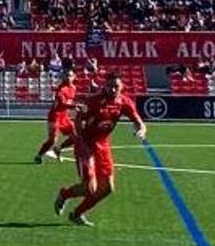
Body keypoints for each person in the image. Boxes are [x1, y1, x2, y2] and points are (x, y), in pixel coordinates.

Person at [54, 72, 147, 227]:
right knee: (90, 188)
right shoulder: (93, 101)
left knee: (108, 188)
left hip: (103, 145)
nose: (112, 90)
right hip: (86, 145)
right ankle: (64, 194)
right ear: (105, 86)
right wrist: (81, 141)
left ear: (122, 87)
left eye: (116, 86)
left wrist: (142, 129)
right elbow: (78, 119)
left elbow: (138, 121)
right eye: (110, 86)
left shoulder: (124, 102)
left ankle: (77, 214)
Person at [35, 68, 78, 164]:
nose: (68, 77)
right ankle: (39, 155)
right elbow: (62, 104)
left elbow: (69, 102)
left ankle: (58, 148)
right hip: (55, 116)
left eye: (70, 75)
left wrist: (74, 107)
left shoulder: (73, 88)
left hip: (64, 117)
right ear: (63, 77)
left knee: (76, 136)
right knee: (52, 140)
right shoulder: (61, 89)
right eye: (66, 75)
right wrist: (75, 106)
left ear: (74, 77)